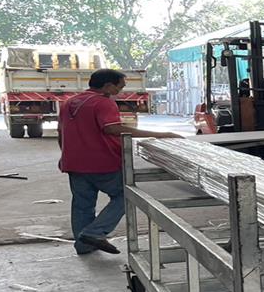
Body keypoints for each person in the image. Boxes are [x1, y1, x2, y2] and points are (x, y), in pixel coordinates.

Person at [58, 68, 180, 256]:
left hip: (74, 163)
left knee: (82, 204)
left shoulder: (69, 103)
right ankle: (95, 233)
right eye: (119, 87)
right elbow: (113, 129)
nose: (120, 92)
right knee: (125, 196)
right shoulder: (103, 103)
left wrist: (65, 155)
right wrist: (162, 135)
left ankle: (83, 246)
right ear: (108, 85)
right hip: (102, 162)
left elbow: (61, 133)